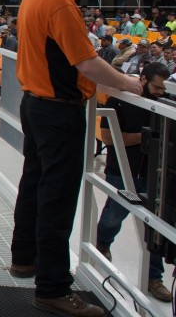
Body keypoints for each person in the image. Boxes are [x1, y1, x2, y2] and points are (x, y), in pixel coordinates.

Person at [8, 0, 141, 317]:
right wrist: (129, 83)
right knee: (57, 196)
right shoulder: (58, 3)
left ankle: (25, 258)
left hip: (36, 105)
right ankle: (53, 288)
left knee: (34, 183)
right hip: (58, 111)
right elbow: (86, 64)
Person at [95, 62, 173, 302]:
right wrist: (149, 138)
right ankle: (101, 247)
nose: (160, 92)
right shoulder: (121, 99)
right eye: (156, 87)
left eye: (163, 88)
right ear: (142, 79)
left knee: (154, 228)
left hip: (154, 177)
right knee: (113, 216)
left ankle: (154, 277)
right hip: (123, 172)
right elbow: (108, 136)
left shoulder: (166, 103)